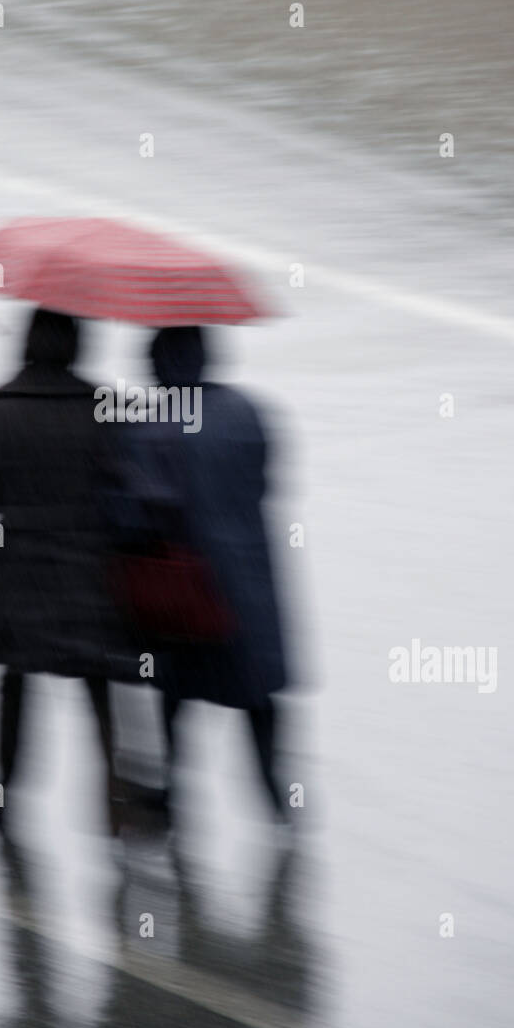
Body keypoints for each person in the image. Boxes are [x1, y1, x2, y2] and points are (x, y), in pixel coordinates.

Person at [0, 307, 134, 831]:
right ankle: (115, 805)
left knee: (14, 690)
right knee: (101, 693)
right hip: (89, 576)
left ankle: (1, 800)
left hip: (16, 576)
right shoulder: (104, 408)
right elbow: (124, 496)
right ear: (79, 344)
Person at [135, 326, 290, 817]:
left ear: (160, 364)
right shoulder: (250, 411)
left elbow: (143, 509)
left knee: (177, 690)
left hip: (188, 588)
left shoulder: (155, 422)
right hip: (251, 579)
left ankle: (173, 791)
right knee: (256, 693)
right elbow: (266, 482)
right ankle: (275, 796)